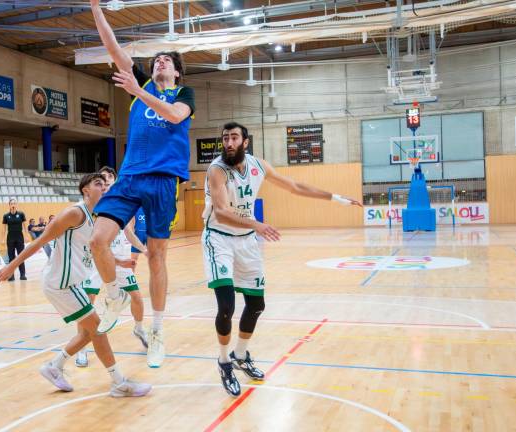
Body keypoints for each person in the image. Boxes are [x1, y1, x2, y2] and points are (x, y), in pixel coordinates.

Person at [203, 122, 362, 396]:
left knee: (256, 304)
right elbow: (221, 212)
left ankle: (241, 354)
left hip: (247, 241)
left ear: (245, 142)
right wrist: (257, 224)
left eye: (233, 138)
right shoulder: (217, 170)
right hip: (219, 239)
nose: (228, 143)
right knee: (226, 305)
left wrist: (335, 197)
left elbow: (295, 186)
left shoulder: (258, 165)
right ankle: (224, 360)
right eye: (225, 138)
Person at [89, 0, 196, 368]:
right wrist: (95, 8)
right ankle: (114, 293)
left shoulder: (183, 95)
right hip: (131, 175)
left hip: (164, 180)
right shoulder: (141, 82)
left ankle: (158, 331)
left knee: (156, 258)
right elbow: (112, 46)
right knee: (97, 240)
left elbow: (172, 115)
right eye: (156, 61)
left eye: (166, 61)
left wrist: (137, 90)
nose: (159, 62)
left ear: (177, 73)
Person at [0, 173, 151, 398]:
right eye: (98, 184)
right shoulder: (74, 213)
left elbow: (91, 248)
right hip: (59, 283)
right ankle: (119, 383)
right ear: (85, 190)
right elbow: (40, 241)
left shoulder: (97, 217)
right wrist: (11, 266)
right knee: (98, 329)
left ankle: (54, 367)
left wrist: (118, 261)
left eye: (105, 184)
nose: (104, 187)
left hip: (71, 283)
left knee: (89, 333)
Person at [75, 167, 149, 368]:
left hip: (119, 259)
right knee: (86, 305)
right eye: (102, 180)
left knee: (136, 297)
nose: (105, 183)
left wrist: (144, 249)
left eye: (109, 179)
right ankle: (81, 350)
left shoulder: (119, 206)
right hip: (96, 261)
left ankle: (140, 329)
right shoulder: (89, 208)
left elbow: (129, 233)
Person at [2, 198, 27, 281]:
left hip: (19, 237)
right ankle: (11, 276)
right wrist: (2, 239)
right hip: (10, 238)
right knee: (11, 257)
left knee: (21, 256)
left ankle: (22, 274)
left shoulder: (21, 214)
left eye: (14, 203)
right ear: (9, 205)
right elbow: (4, 229)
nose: (13, 205)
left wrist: (26, 236)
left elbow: (24, 226)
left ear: (16, 205)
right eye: (11, 203)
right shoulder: (6, 216)